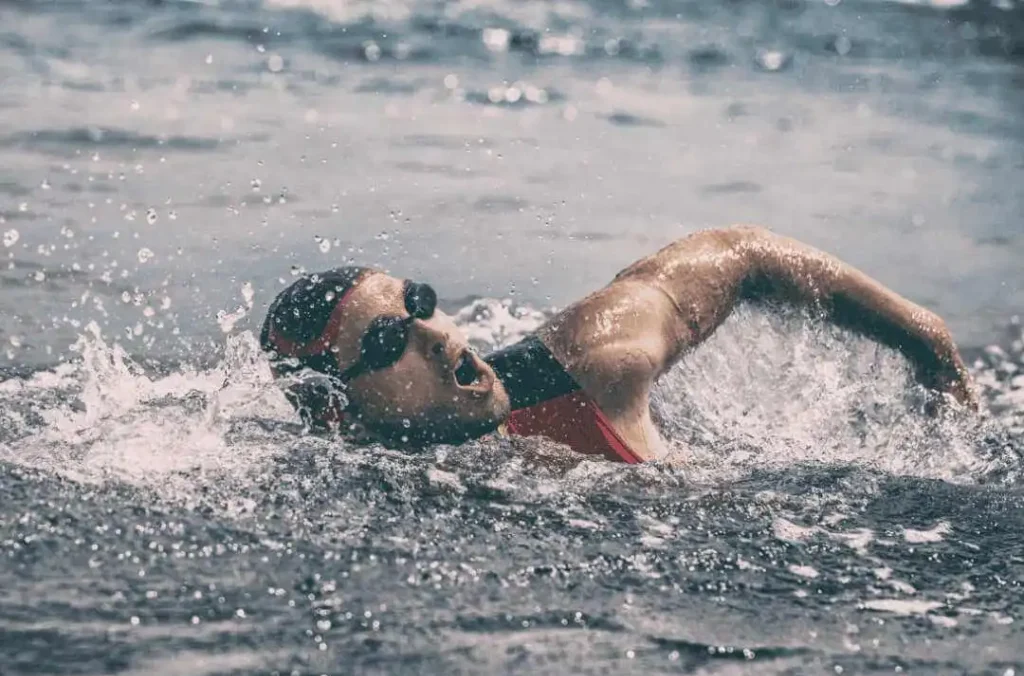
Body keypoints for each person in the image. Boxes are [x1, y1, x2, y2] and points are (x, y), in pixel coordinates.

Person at [260, 225, 977, 463]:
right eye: (390, 339)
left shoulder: (589, 365)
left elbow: (738, 253)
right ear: (338, 415)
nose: (441, 336)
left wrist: (930, 341)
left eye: (421, 304)